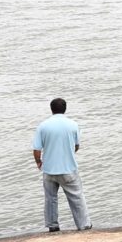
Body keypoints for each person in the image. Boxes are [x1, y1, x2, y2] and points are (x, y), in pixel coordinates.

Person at [31, 97, 90, 233]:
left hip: (49, 170)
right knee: (76, 197)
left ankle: (53, 225)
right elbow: (76, 146)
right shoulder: (73, 124)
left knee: (50, 199)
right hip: (68, 168)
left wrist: (39, 162)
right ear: (65, 109)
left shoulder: (43, 126)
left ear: (51, 109)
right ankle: (83, 224)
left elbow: (36, 150)